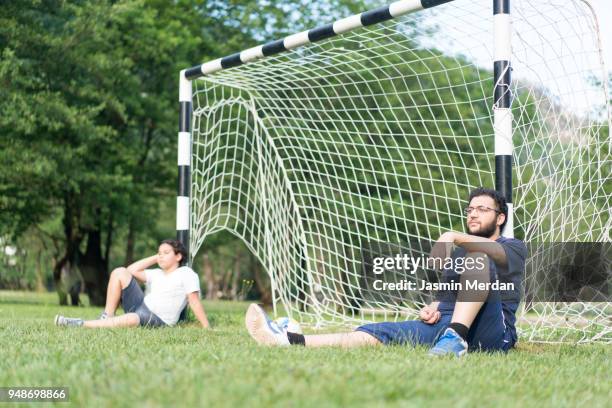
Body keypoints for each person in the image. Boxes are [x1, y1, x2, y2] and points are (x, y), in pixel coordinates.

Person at [245, 187, 527, 357]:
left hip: (492, 333)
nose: (473, 214)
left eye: (482, 209)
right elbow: (443, 284)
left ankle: (455, 338)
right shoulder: (460, 253)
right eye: (469, 209)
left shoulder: (512, 246)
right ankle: (288, 340)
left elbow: (496, 257)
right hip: (446, 324)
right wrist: (434, 306)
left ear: (500, 218)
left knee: (479, 256)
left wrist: (451, 234)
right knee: (376, 333)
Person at [54, 239, 210, 329]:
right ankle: (106, 316)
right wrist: (155, 258)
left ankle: (81, 324)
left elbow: (194, 302)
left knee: (132, 319)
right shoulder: (156, 273)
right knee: (119, 271)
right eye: (159, 252)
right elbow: (130, 270)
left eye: (166, 253)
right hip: (140, 305)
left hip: (158, 320)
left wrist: (206, 327)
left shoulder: (187, 273)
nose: (161, 256)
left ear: (178, 256)